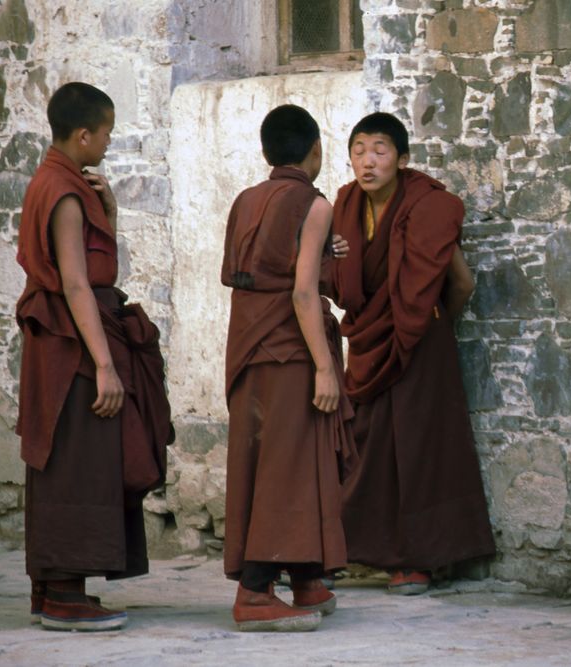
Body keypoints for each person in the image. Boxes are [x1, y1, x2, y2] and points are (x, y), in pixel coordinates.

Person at [15, 82, 172, 631]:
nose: (107, 144)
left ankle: (52, 588)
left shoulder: (67, 184)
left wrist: (109, 211)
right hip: (73, 345)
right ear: (83, 135)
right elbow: (77, 285)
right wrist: (105, 364)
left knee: (76, 457)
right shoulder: (60, 192)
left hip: (71, 337)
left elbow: (101, 270)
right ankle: (63, 592)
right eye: (105, 134)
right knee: (77, 460)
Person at [332, 112, 495, 595]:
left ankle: (420, 560)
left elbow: (461, 282)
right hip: (370, 340)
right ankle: (362, 548)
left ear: (402, 160)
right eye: (359, 149)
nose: (368, 160)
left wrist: (426, 320)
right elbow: (337, 279)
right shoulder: (344, 207)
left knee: (421, 447)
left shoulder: (428, 206)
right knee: (367, 443)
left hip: (421, 343)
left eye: (380, 150)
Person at [221, 104, 356, 632]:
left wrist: (322, 253)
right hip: (292, 350)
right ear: (316, 150)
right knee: (289, 466)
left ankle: (304, 576)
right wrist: (325, 368)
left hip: (250, 347)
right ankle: (255, 591)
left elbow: (256, 269)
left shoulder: (245, 200)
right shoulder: (315, 203)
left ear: (265, 151)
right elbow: (301, 291)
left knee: (275, 461)